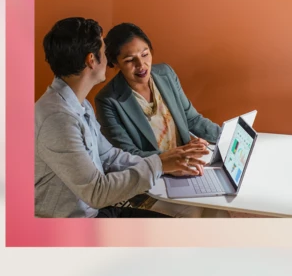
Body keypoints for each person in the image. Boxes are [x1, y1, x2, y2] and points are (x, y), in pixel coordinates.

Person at [35, 17, 209, 218]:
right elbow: (97, 192)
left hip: (100, 209)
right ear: (91, 60)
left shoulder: (79, 104)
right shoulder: (57, 120)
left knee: (202, 215)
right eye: (103, 50)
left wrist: (164, 164)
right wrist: (159, 165)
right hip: (76, 224)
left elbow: (109, 156)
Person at [94, 22, 228, 218]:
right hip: (150, 181)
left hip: (184, 169)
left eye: (145, 54)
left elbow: (192, 119)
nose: (141, 65)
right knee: (192, 214)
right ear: (115, 63)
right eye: (130, 60)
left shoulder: (165, 74)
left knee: (219, 204)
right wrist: (172, 161)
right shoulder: (108, 100)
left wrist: (226, 138)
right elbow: (128, 155)